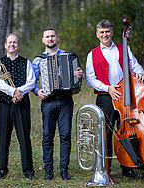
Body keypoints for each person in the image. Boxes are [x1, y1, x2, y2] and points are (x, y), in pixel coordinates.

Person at [86, 19, 144, 178]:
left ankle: (128, 168)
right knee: (105, 134)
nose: (105, 35)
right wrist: (108, 88)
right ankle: (105, 170)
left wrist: (140, 72)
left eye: (107, 32)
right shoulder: (92, 54)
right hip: (105, 98)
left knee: (127, 133)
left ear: (112, 33)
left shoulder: (124, 48)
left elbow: (135, 65)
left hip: (125, 98)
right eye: (102, 32)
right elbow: (90, 79)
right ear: (97, 35)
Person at [32, 28, 83, 180]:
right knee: (48, 136)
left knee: (65, 135)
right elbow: (32, 80)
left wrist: (80, 75)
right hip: (48, 101)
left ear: (57, 38)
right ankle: (48, 170)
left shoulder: (68, 56)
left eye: (52, 36)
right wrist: (37, 91)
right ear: (43, 40)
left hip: (66, 100)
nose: (50, 39)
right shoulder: (38, 60)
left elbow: (79, 76)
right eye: (47, 37)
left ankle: (64, 169)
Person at [0, 33, 36, 180]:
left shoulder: (26, 62)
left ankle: (28, 170)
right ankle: (2, 169)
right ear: (5, 45)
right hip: (5, 103)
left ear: (18, 45)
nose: (12, 44)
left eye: (15, 42)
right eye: (10, 42)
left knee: (24, 136)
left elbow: (31, 81)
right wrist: (13, 92)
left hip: (22, 103)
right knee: (3, 136)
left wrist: (20, 92)